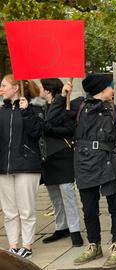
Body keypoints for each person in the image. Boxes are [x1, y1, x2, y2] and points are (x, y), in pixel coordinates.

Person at [48, 74, 116, 268]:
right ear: (102, 89)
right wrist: (61, 97)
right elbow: (51, 121)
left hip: (110, 162)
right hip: (85, 163)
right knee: (90, 209)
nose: (113, 90)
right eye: (111, 86)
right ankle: (94, 245)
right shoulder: (79, 106)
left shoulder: (115, 110)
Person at [0, 75, 43, 259]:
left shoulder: (33, 108)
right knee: (9, 210)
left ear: (16, 88)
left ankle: (27, 245)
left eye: (3, 85)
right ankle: (13, 246)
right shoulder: (1, 111)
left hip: (27, 165)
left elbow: (37, 133)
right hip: (4, 167)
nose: (0, 89)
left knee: (26, 209)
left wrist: (26, 112)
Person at [38, 78, 84, 247]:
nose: (39, 91)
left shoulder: (67, 105)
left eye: (41, 88)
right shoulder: (40, 108)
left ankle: (75, 229)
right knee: (55, 196)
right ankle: (61, 226)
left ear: (48, 90)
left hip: (63, 154)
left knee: (67, 194)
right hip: (47, 157)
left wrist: (49, 129)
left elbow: (70, 130)